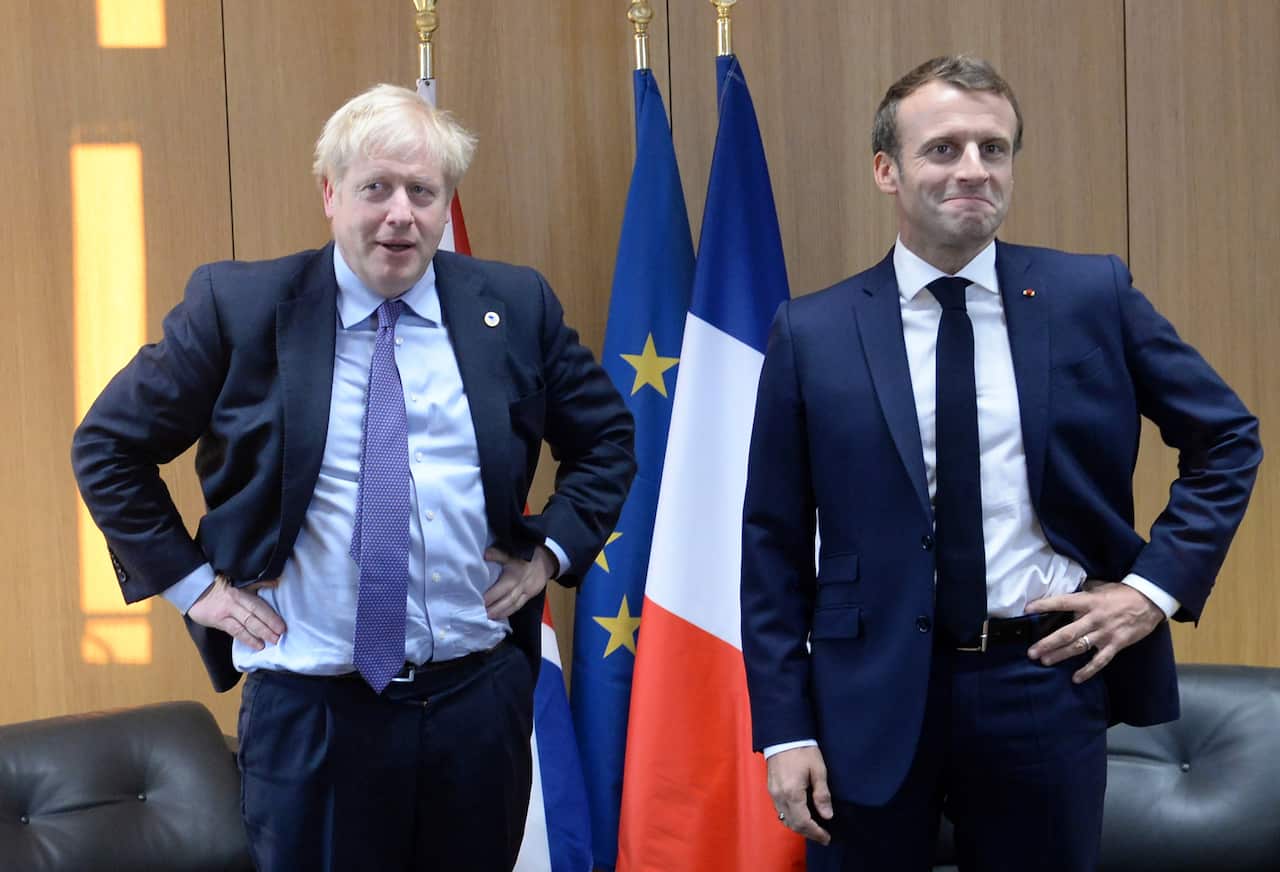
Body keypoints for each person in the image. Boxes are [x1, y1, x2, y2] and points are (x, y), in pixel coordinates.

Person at [72, 83, 635, 872]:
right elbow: (107, 446)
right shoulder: (241, 307)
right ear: (330, 192)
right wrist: (195, 587)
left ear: (445, 205)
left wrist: (550, 553)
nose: (399, 213)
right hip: (315, 716)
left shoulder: (512, 304)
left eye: (422, 191)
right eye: (376, 187)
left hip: (476, 708)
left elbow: (607, 436)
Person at [741, 55, 1261, 872]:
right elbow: (770, 545)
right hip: (866, 695)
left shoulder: (1091, 293)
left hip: (1043, 680)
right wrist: (785, 728)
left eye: (994, 147)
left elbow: (1227, 438)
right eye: (943, 149)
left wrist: (1150, 590)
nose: (973, 170)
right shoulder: (813, 332)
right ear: (887, 169)